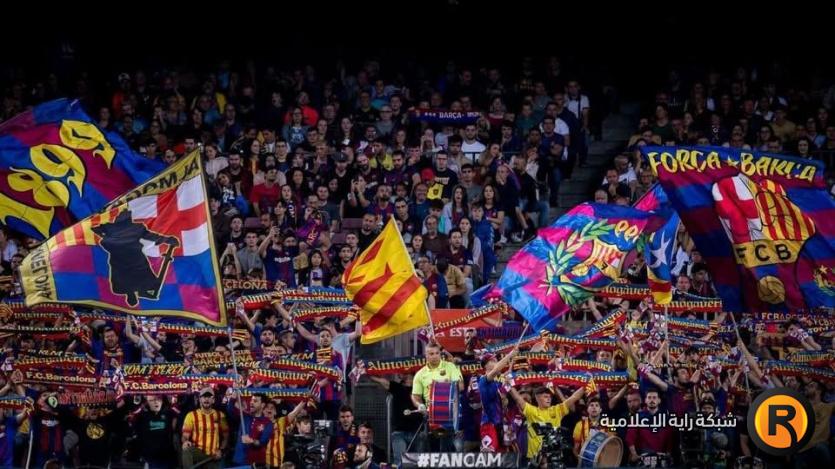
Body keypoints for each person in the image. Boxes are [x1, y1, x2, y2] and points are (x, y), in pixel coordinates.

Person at [507, 383, 585, 465]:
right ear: (537, 398)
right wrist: (507, 383)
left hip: (554, 458)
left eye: (550, 397)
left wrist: (585, 386)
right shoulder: (531, 411)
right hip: (534, 460)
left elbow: (574, 397)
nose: (549, 399)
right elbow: (517, 398)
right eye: (545, 397)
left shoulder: (557, 410)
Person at [181, 387, 229, 469]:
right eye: (204, 397)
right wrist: (185, 442)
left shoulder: (220, 415)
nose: (206, 399)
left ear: (213, 400)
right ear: (200, 399)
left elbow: (226, 437)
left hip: (213, 455)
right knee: (186, 449)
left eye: (209, 397)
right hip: (198, 453)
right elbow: (185, 436)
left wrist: (221, 450)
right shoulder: (191, 415)